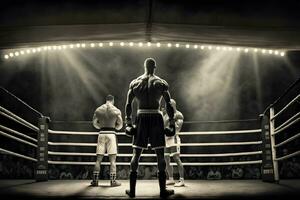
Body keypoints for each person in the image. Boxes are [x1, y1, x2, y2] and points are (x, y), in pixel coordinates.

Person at [124, 58, 176, 198]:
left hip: (141, 117)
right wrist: (171, 122)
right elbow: (169, 104)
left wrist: (128, 123)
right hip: (156, 117)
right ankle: (162, 191)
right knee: (160, 155)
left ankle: (132, 191)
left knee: (136, 154)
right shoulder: (160, 82)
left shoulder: (135, 83)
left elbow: (128, 105)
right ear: (155, 67)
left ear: (144, 66)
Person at [90, 95, 123, 187]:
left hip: (101, 133)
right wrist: (113, 127)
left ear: (106, 100)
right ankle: (113, 182)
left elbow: (94, 123)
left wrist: (101, 127)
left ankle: (95, 181)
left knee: (98, 159)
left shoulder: (98, 109)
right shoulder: (116, 110)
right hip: (111, 134)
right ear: (113, 100)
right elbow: (120, 126)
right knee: (112, 160)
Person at [162, 99, 185, 187]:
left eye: (170, 105)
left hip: (174, 138)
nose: (169, 106)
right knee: (166, 159)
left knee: (176, 158)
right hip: (166, 139)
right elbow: (163, 127)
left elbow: (177, 129)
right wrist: (167, 119)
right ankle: (171, 179)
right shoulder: (165, 115)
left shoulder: (178, 115)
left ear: (174, 105)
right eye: (168, 105)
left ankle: (182, 180)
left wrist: (169, 120)